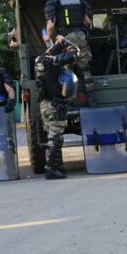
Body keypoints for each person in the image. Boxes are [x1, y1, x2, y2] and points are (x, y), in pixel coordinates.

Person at [35, 36, 80, 179]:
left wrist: (56, 46)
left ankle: (58, 166)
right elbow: (75, 52)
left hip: (45, 104)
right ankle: (52, 169)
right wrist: (64, 42)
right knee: (55, 138)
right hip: (54, 104)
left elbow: (50, 52)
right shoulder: (54, 62)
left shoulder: (40, 60)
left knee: (53, 137)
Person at [44, 0, 95, 105]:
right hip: (81, 36)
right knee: (85, 68)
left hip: (66, 38)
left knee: (67, 69)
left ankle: (70, 101)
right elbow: (88, 21)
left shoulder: (53, 2)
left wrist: (47, 38)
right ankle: (92, 99)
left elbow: (50, 25)